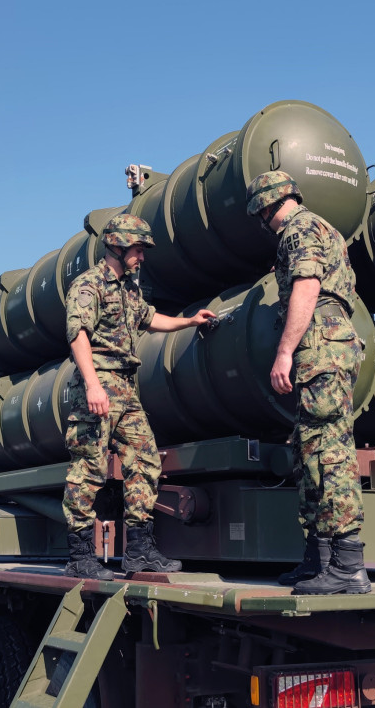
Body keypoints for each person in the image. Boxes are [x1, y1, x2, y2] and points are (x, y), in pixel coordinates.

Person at [62, 213, 216, 580]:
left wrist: (190, 321)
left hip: (126, 391)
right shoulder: (89, 285)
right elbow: (77, 335)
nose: (142, 256)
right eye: (138, 249)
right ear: (116, 244)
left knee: (145, 461)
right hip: (97, 385)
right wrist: (92, 384)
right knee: (89, 468)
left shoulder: (129, 289)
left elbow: (151, 319)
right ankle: (80, 554)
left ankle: (140, 551)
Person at [245, 171, 371, 595]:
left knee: (329, 450)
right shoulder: (322, 227)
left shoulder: (298, 230)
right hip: (327, 345)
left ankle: (348, 564)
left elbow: (306, 286)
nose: (261, 219)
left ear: (269, 204)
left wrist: (284, 351)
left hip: (321, 344)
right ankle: (319, 558)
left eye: (260, 210)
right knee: (309, 448)